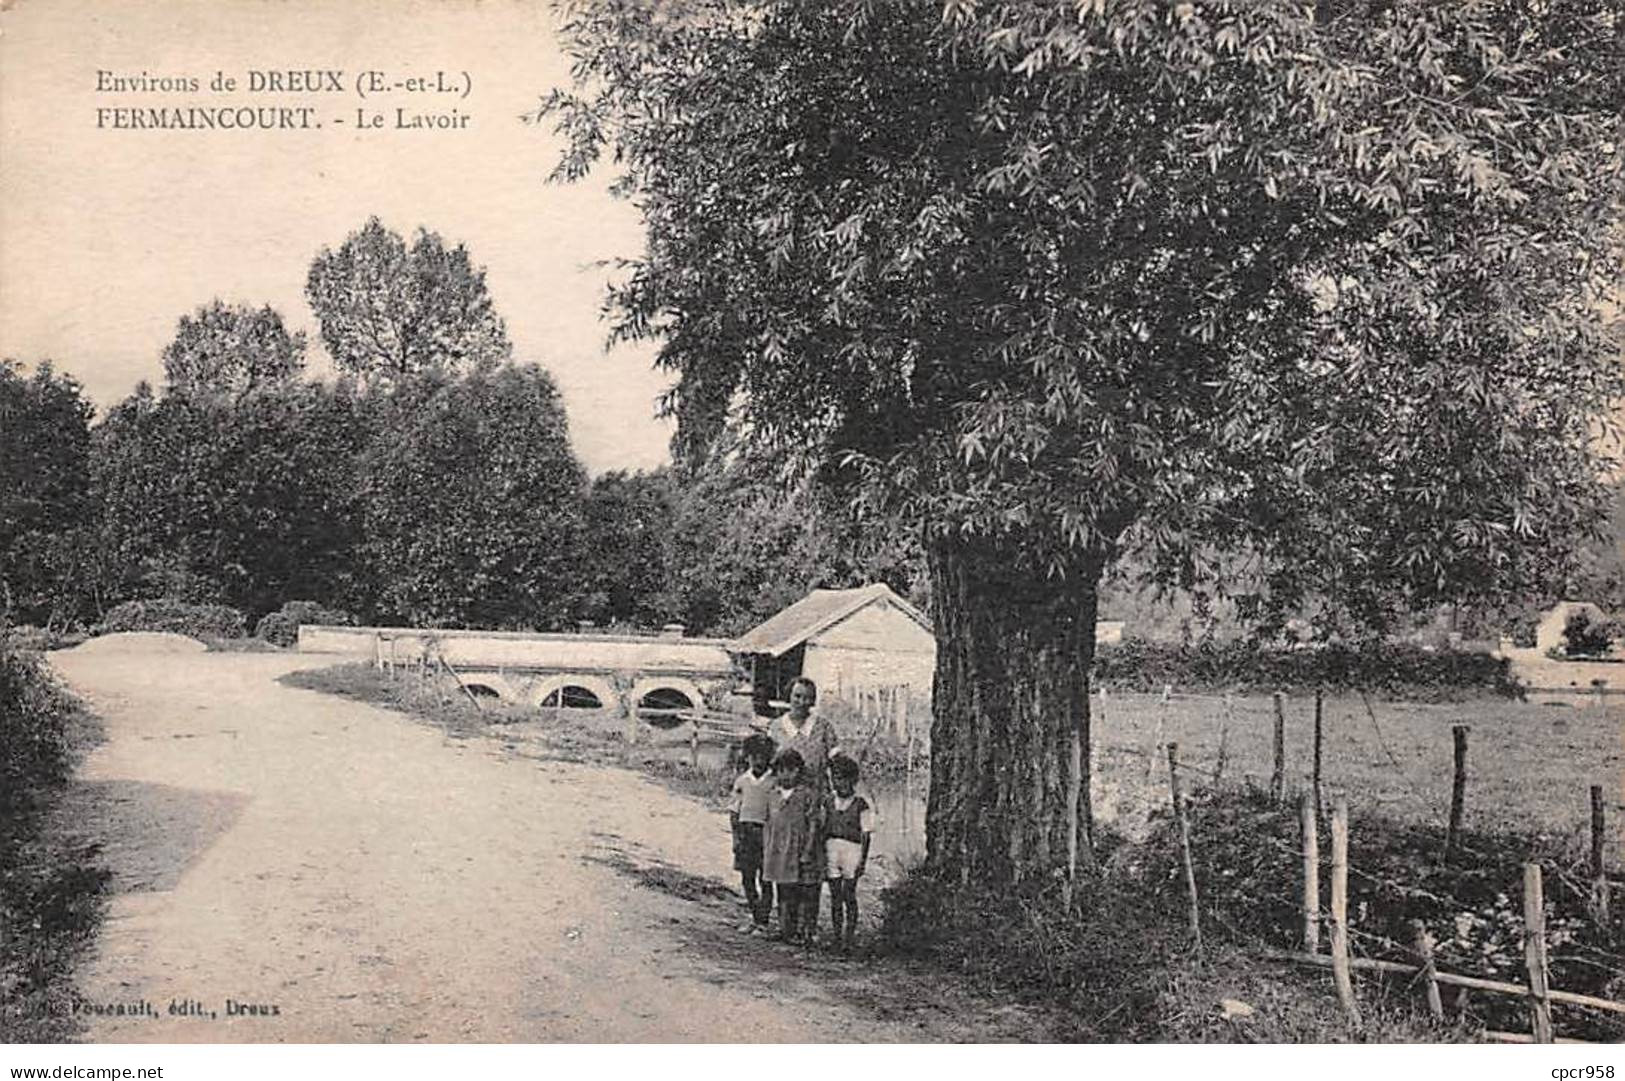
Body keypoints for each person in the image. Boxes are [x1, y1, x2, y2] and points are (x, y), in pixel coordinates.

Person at [761, 748, 822, 946]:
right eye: (781, 771)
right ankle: (784, 928)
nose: (785, 775)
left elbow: (813, 823)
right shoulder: (773, 794)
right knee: (782, 889)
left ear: (798, 771)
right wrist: (767, 848)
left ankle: (800, 931)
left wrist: (808, 849)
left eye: (790, 770)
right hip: (777, 849)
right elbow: (768, 822)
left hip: (797, 848)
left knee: (799, 890)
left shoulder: (806, 794)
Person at [823, 753, 874, 954]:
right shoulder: (828, 801)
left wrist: (863, 861)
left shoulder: (861, 804)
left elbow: (866, 835)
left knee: (849, 894)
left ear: (853, 780)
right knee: (835, 894)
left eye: (843, 778)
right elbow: (822, 827)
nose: (839, 783)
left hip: (852, 850)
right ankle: (836, 937)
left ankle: (849, 938)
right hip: (832, 849)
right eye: (835, 778)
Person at [728, 732, 777, 933]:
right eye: (754, 756)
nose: (758, 761)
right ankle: (756, 915)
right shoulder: (742, 781)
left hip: (765, 834)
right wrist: (736, 838)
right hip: (746, 833)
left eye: (763, 757)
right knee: (747, 878)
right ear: (747, 756)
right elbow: (734, 811)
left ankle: (763, 922)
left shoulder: (774, 782)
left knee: (765, 879)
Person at [770, 677, 842, 794]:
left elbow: (837, 763)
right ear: (789, 696)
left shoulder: (824, 727)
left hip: (817, 794)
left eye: (808, 698)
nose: (802, 702)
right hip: (785, 796)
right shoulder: (776, 727)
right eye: (797, 696)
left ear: (813, 701)